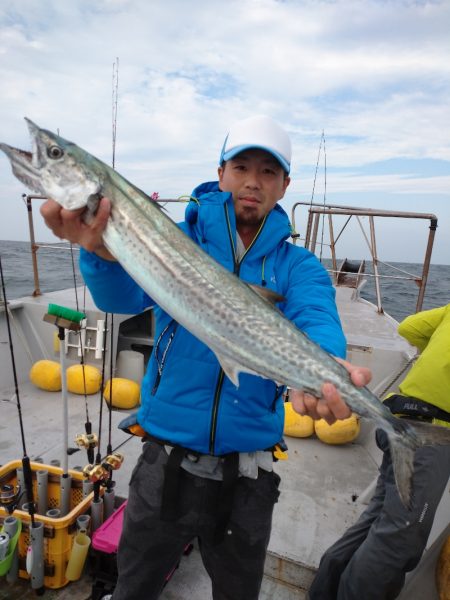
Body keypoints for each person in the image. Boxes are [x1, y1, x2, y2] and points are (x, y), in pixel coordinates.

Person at [40, 115, 371, 600]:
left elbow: (317, 319)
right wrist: (99, 252)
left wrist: (327, 367)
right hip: (163, 463)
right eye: (241, 167)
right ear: (221, 174)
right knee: (135, 587)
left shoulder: (297, 266)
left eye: (268, 172)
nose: (252, 182)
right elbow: (121, 298)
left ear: (285, 185)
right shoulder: (176, 240)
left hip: (248, 477)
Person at [308, 304, 450, 600]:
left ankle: (323, 592)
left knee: (378, 518)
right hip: (430, 434)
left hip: (398, 415)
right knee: (400, 538)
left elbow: (408, 328)